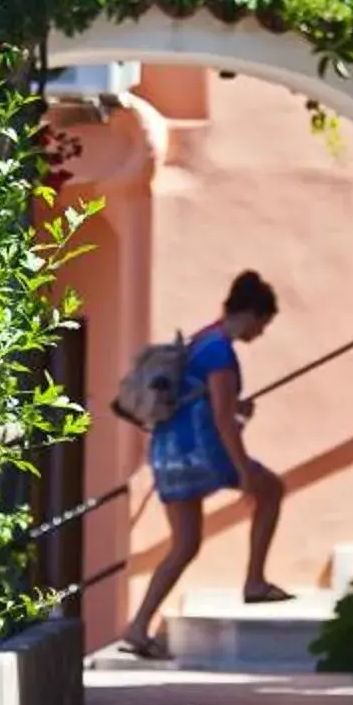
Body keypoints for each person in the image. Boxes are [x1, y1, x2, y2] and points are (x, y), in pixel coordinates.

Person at [120, 271, 289, 659]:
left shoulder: (200, 340)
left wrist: (234, 410)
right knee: (271, 488)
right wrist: (244, 470)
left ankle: (138, 626)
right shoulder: (220, 353)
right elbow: (222, 421)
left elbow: (207, 402)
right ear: (250, 314)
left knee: (184, 544)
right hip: (201, 453)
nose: (261, 333)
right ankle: (255, 581)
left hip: (167, 453)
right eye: (262, 324)